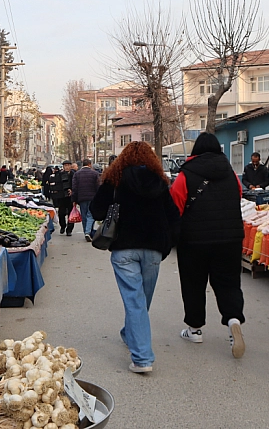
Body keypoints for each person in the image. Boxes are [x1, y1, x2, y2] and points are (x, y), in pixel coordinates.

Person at [90, 141, 180, 373]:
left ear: (124, 158)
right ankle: (136, 344)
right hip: (153, 250)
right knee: (141, 300)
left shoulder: (115, 181)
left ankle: (141, 358)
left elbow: (96, 210)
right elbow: (173, 217)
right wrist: (167, 245)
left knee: (136, 300)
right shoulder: (160, 183)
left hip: (124, 249)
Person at [170, 133, 246, 358]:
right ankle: (233, 321)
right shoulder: (231, 174)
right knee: (229, 283)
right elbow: (238, 198)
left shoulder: (185, 175)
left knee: (194, 283)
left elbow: (176, 205)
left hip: (194, 240)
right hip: (230, 239)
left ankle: (195, 329)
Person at [72, 159, 101, 242]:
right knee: (91, 215)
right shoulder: (95, 174)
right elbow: (98, 186)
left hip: (82, 198)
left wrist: (74, 199)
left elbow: (74, 188)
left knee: (84, 215)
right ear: (89, 164)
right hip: (93, 198)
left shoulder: (77, 174)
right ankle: (88, 232)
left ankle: (86, 232)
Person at [48, 161, 76, 235]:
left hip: (70, 197)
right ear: (63, 166)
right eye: (65, 165)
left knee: (71, 213)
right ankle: (62, 226)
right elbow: (54, 184)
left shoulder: (73, 175)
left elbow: (76, 184)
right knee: (61, 213)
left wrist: (72, 190)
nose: (67, 167)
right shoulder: (59, 174)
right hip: (61, 196)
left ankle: (69, 229)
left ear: (71, 166)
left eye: (68, 165)